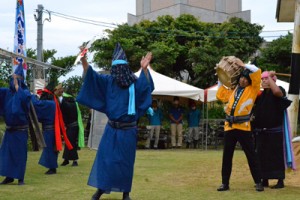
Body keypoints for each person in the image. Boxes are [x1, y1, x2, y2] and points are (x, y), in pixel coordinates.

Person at [76, 43, 154, 200]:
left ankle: (126, 193)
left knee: (125, 161)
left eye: (120, 69)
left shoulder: (134, 82)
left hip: (128, 130)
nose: (117, 73)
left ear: (125, 68)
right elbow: (91, 75)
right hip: (112, 129)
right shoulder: (108, 81)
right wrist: (84, 59)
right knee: (106, 159)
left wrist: (145, 70)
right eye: (115, 69)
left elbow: (146, 90)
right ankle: (100, 189)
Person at [216, 58, 264, 192]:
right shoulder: (233, 89)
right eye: (242, 78)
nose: (243, 80)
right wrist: (220, 75)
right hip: (229, 126)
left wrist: (243, 65)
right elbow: (221, 93)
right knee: (227, 156)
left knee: (251, 155)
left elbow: (257, 71)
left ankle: (258, 182)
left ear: (250, 81)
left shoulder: (253, 89)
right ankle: (225, 183)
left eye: (246, 79)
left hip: (243, 126)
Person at [252, 71, 292, 189]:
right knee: (261, 156)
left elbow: (278, 93)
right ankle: (264, 179)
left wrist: (270, 77)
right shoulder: (261, 95)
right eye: (263, 79)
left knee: (276, 156)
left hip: (275, 132)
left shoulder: (278, 90)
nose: (264, 81)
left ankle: (280, 180)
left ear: (273, 80)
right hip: (261, 132)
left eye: (266, 79)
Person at [0, 64, 31, 185]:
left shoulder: (25, 93)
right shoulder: (7, 92)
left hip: (20, 131)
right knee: (7, 154)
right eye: (12, 78)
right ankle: (9, 177)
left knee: (19, 155)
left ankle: (20, 178)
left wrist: (18, 87)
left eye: (16, 78)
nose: (13, 80)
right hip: (9, 131)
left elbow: (24, 100)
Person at [54, 84, 84, 167]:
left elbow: (65, 107)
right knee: (68, 143)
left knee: (71, 143)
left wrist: (60, 98)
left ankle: (75, 160)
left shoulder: (69, 101)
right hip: (70, 126)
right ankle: (66, 160)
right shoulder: (69, 100)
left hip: (73, 125)